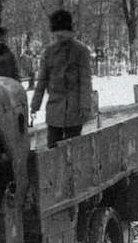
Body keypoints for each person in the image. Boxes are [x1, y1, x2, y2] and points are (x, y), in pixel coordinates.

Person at [29, 9, 94, 148]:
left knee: (74, 147)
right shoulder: (49, 52)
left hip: (75, 110)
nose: (59, 36)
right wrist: (35, 105)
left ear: (69, 31)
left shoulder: (81, 51)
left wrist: (85, 105)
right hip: (54, 110)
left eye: (63, 33)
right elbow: (41, 81)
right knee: (53, 149)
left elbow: (85, 81)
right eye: (57, 33)